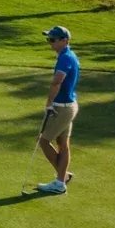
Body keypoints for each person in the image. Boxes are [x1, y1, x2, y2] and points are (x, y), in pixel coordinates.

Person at [37, 26, 81, 194]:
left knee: (43, 141)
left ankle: (61, 181)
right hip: (69, 106)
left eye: (53, 40)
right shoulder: (68, 56)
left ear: (65, 41)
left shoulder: (65, 58)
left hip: (62, 108)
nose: (50, 43)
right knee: (63, 144)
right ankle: (62, 179)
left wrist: (49, 103)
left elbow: (57, 82)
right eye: (49, 39)